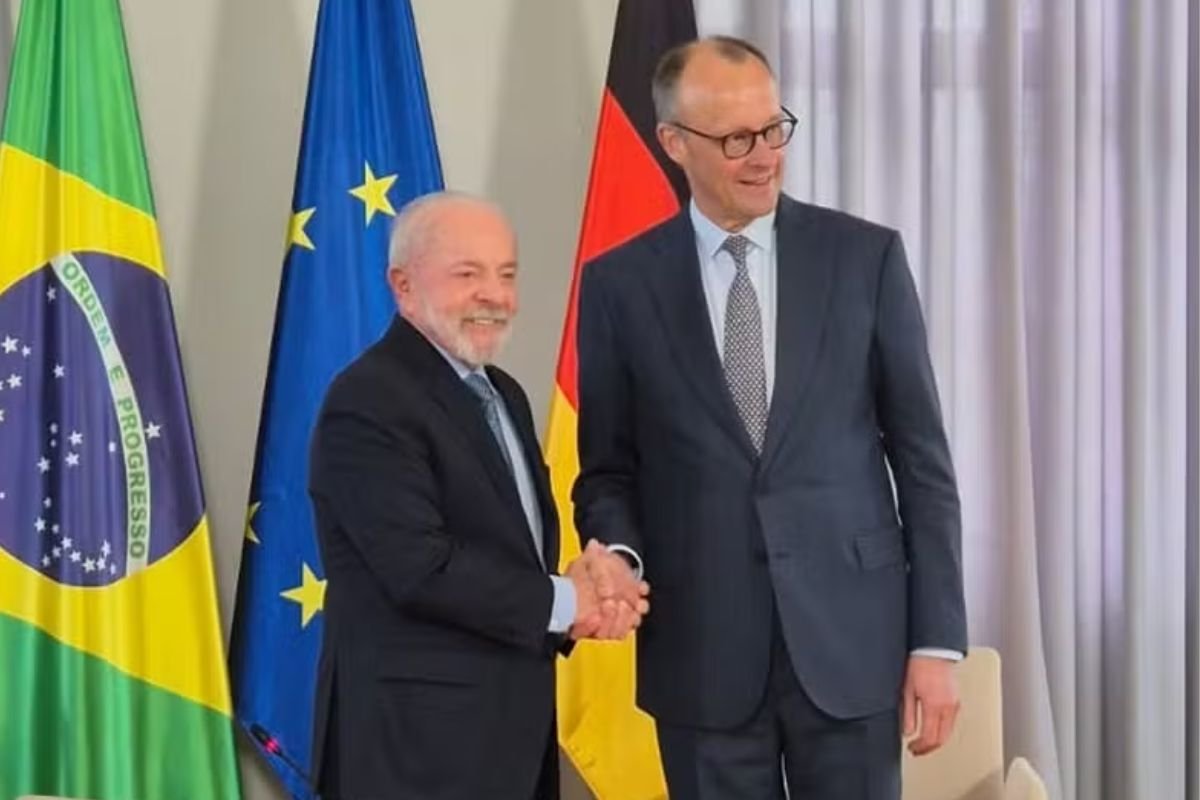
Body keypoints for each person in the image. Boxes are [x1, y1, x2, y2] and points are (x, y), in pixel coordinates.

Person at [572, 36, 968, 799]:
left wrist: (938, 641)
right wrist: (620, 554)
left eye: (773, 128)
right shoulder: (619, 287)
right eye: (735, 140)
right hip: (700, 657)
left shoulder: (865, 259)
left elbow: (924, 463)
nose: (764, 156)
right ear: (673, 143)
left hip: (852, 648)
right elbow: (608, 472)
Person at [307, 192, 647, 800]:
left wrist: (575, 594)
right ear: (403, 286)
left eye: (506, 274)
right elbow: (420, 569)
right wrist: (567, 600)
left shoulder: (503, 394)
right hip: (415, 755)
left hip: (510, 741)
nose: (495, 294)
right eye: (468, 274)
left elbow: (507, 555)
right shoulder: (368, 401)